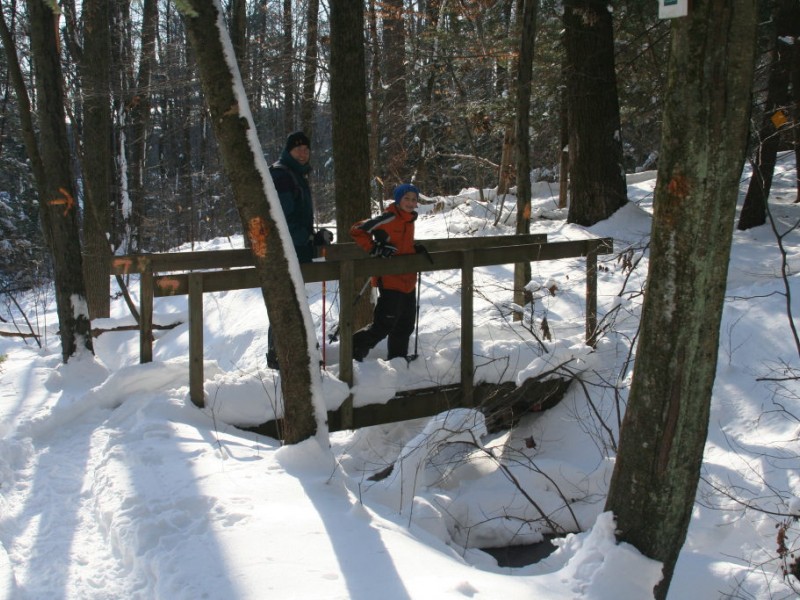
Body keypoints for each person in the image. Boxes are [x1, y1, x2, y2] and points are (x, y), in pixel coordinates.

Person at [267, 131, 332, 370]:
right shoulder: (282, 175)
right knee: (286, 302)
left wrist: (312, 236)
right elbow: (281, 218)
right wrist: (306, 236)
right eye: (298, 149)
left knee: (292, 301)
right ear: (289, 151)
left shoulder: (294, 174)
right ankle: (279, 358)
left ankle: (291, 355)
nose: (303, 152)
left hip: (293, 248)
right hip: (283, 251)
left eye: (306, 148)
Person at [350, 183, 425, 362]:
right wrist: (375, 248)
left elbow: (400, 244)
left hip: (408, 281)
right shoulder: (388, 217)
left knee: (405, 325)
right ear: (398, 200)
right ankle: (354, 348)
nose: (410, 202)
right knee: (384, 325)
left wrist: (415, 249)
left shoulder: (409, 219)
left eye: (414, 199)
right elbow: (357, 230)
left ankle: (397, 360)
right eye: (406, 198)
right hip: (390, 280)